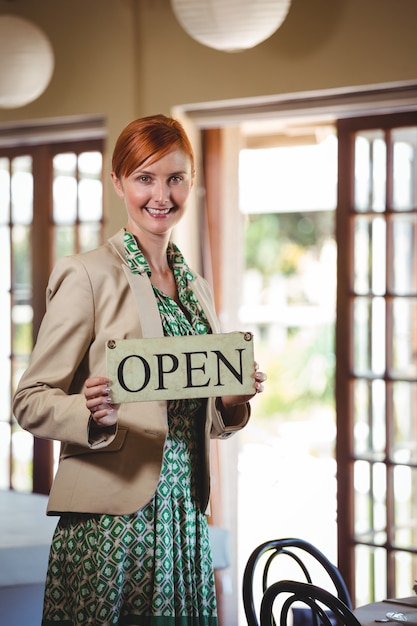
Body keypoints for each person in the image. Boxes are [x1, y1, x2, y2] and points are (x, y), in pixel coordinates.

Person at [13, 114, 266, 626]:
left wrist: (231, 403)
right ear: (118, 183)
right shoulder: (87, 274)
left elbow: (198, 414)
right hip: (108, 522)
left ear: (191, 182)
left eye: (175, 178)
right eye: (144, 178)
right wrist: (88, 411)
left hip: (183, 517)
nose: (161, 195)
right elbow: (30, 399)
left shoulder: (196, 288)